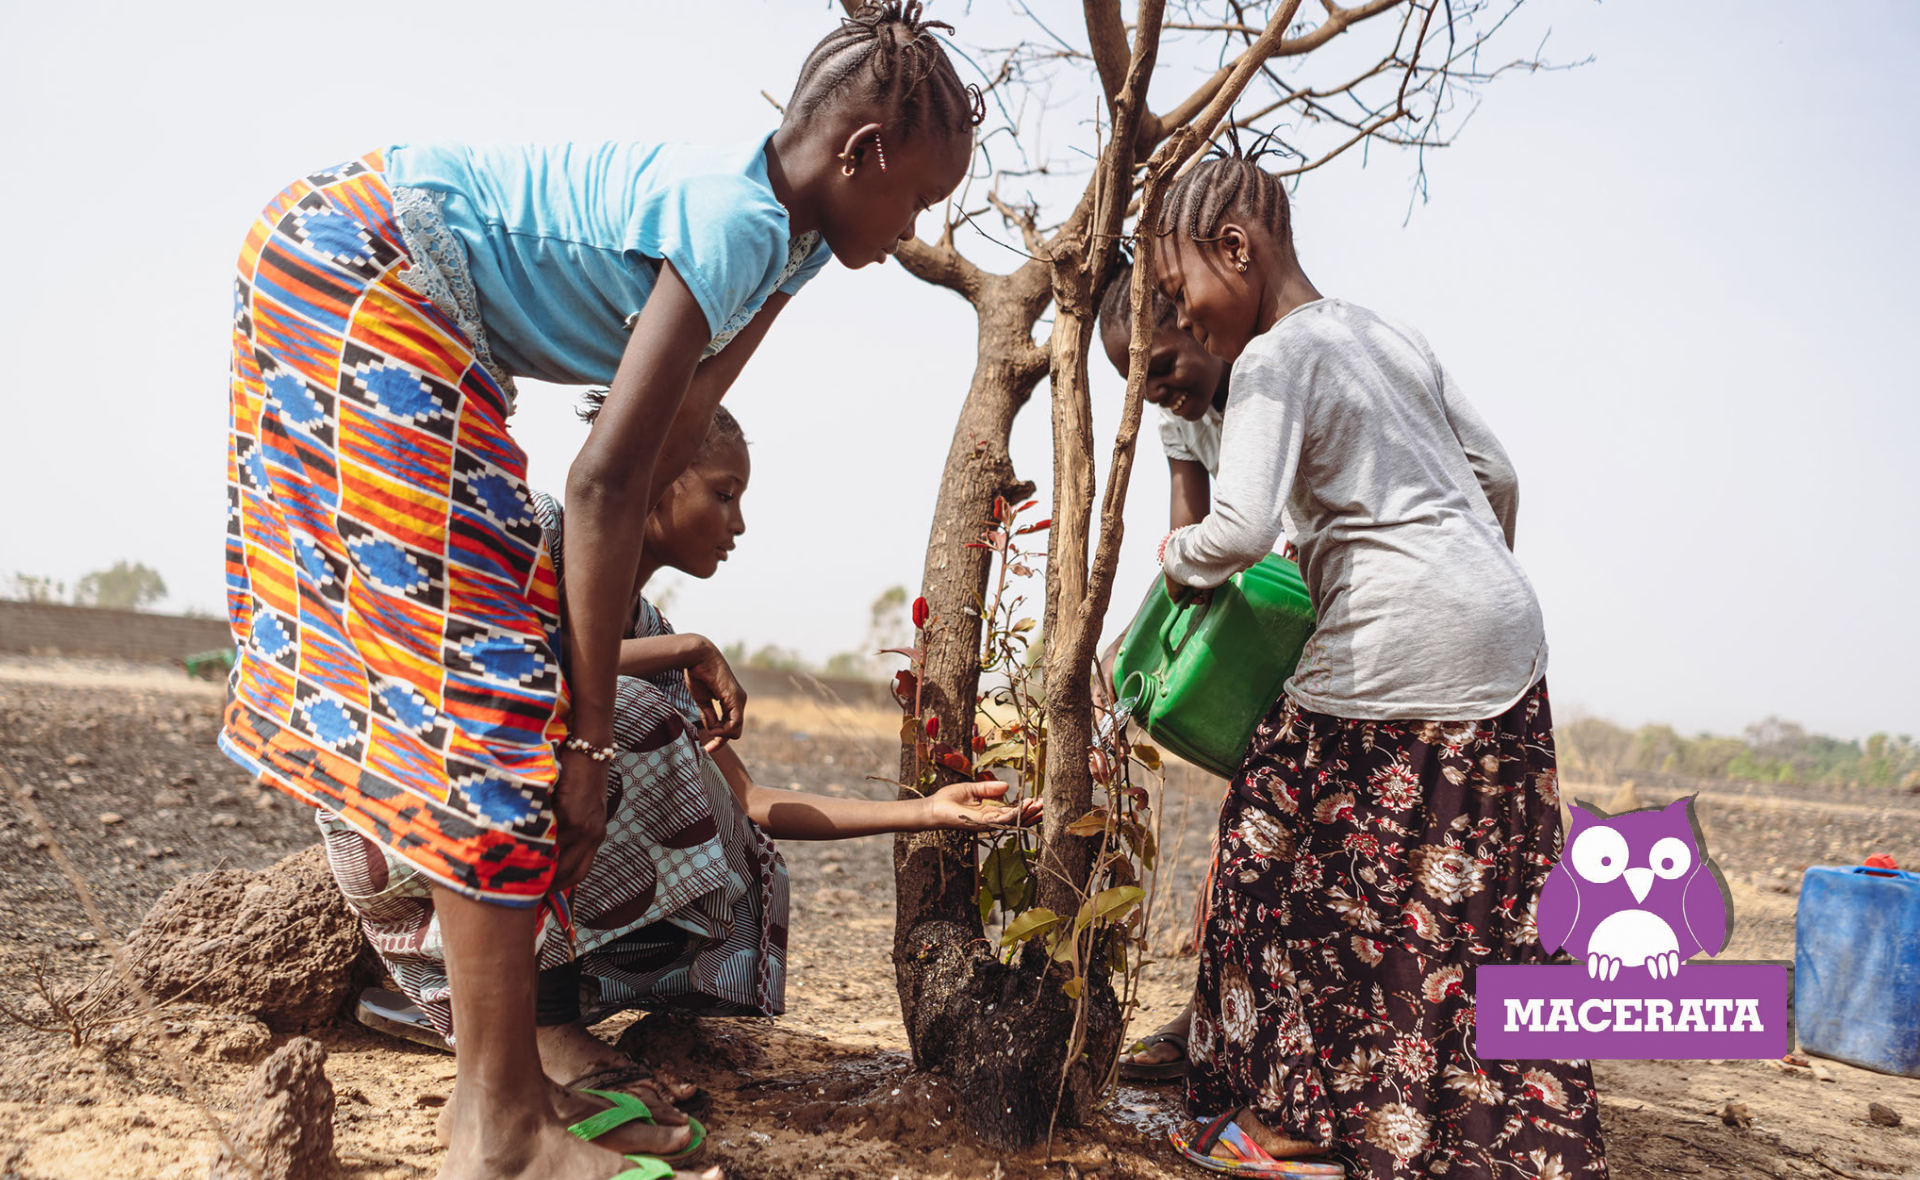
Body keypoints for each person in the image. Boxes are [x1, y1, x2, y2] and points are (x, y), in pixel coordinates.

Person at [218, 6, 982, 1178]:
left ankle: (517, 1097)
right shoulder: (736, 219)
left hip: (377, 273)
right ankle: (501, 1126)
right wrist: (585, 740)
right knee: (485, 686)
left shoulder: (794, 242)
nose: (920, 224)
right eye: (920, 197)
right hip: (360, 265)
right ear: (863, 152)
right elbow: (604, 481)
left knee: (492, 673)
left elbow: (673, 436)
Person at [1148, 152, 1608, 1178]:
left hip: (1394, 635)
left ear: (1237, 249)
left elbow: (1238, 527)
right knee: (1470, 890)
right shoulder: (1387, 334)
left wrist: (1170, 562)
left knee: (1273, 849)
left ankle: (1293, 1126)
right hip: (1507, 633)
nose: (1190, 319)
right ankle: (1497, 1129)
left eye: (1184, 295)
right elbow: (1500, 473)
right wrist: (1465, 592)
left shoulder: (1272, 359)